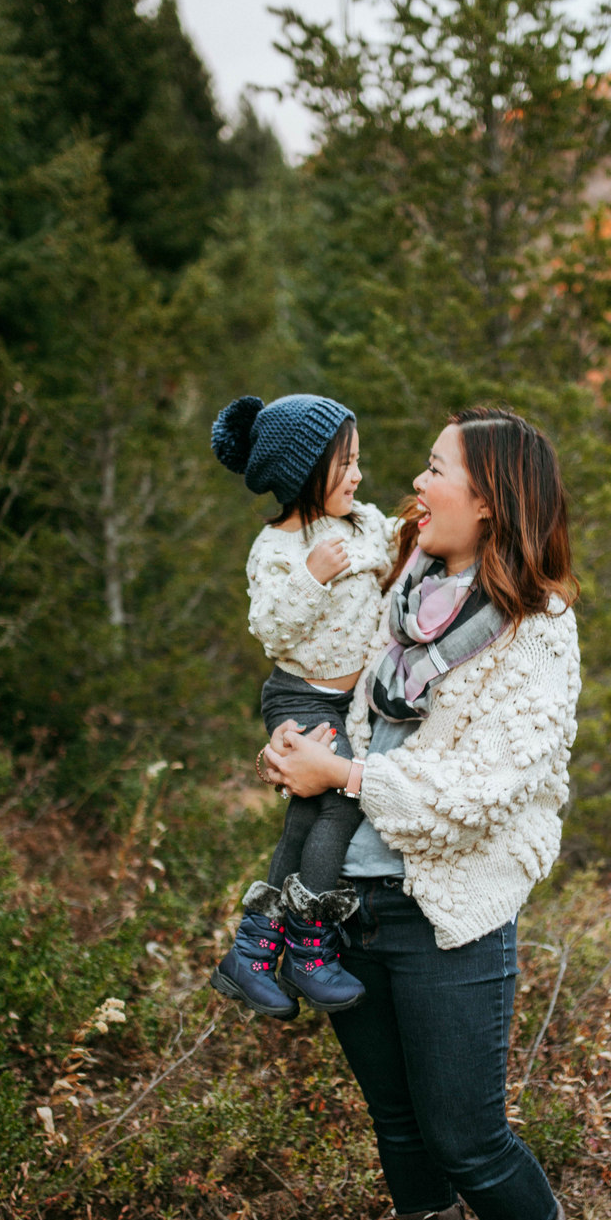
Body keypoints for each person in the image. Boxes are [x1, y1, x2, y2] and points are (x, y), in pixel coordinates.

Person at [260, 408, 594, 1220]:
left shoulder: (538, 629)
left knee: (468, 1137)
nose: (413, 480)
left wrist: (345, 773)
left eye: (435, 468)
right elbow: (348, 698)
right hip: (356, 896)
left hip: (447, 911)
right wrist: (298, 749)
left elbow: (480, 788)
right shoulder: (406, 585)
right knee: (398, 1127)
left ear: (490, 496)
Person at [210, 392, 397, 1022]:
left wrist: (418, 526)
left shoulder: (359, 522)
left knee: (306, 816)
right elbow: (270, 628)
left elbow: (389, 546)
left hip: (347, 702)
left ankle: (254, 949)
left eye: (359, 461)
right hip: (298, 694)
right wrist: (312, 576)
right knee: (341, 802)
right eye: (345, 463)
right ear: (303, 471)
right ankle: (308, 945)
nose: (358, 475)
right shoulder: (278, 550)